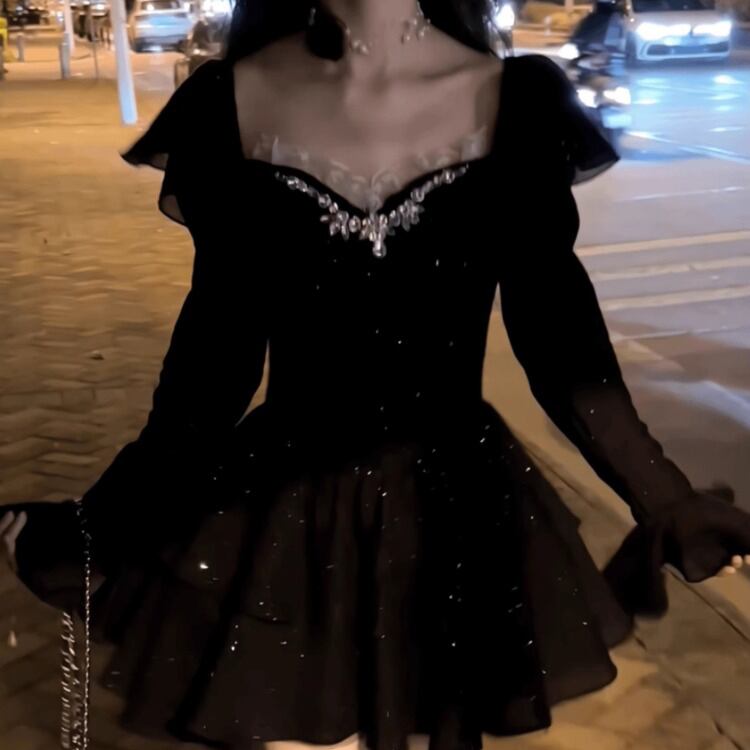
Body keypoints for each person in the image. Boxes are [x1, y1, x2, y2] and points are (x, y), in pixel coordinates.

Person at [2, 2, 750, 750]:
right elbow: (209, 377)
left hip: (460, 522)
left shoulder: (516, 102)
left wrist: (669, 501)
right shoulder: (230, 101)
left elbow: (564, 348)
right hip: (286, 522)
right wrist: (98, 527)